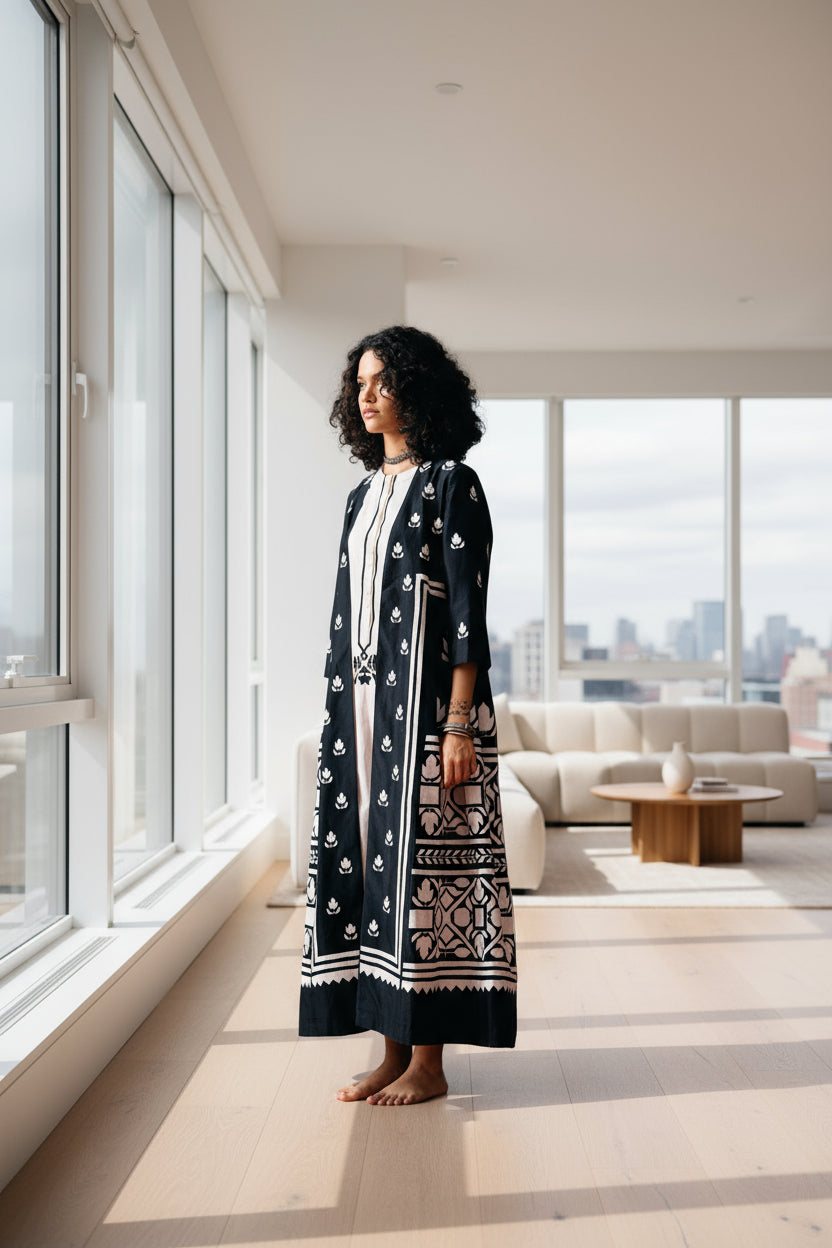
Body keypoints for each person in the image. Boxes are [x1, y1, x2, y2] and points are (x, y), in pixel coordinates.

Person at [299, 325, 516, 1105]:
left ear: (418, 390)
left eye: (384, 380)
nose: (367, 394)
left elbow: (466, 616)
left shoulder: (452, 485)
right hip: (356, 711)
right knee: (370, 875)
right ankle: (390, 1049)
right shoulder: (361, 496)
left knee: (421, 880)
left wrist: (459, 725)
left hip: (423, 712)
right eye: (360, 381)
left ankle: (430, 1062)